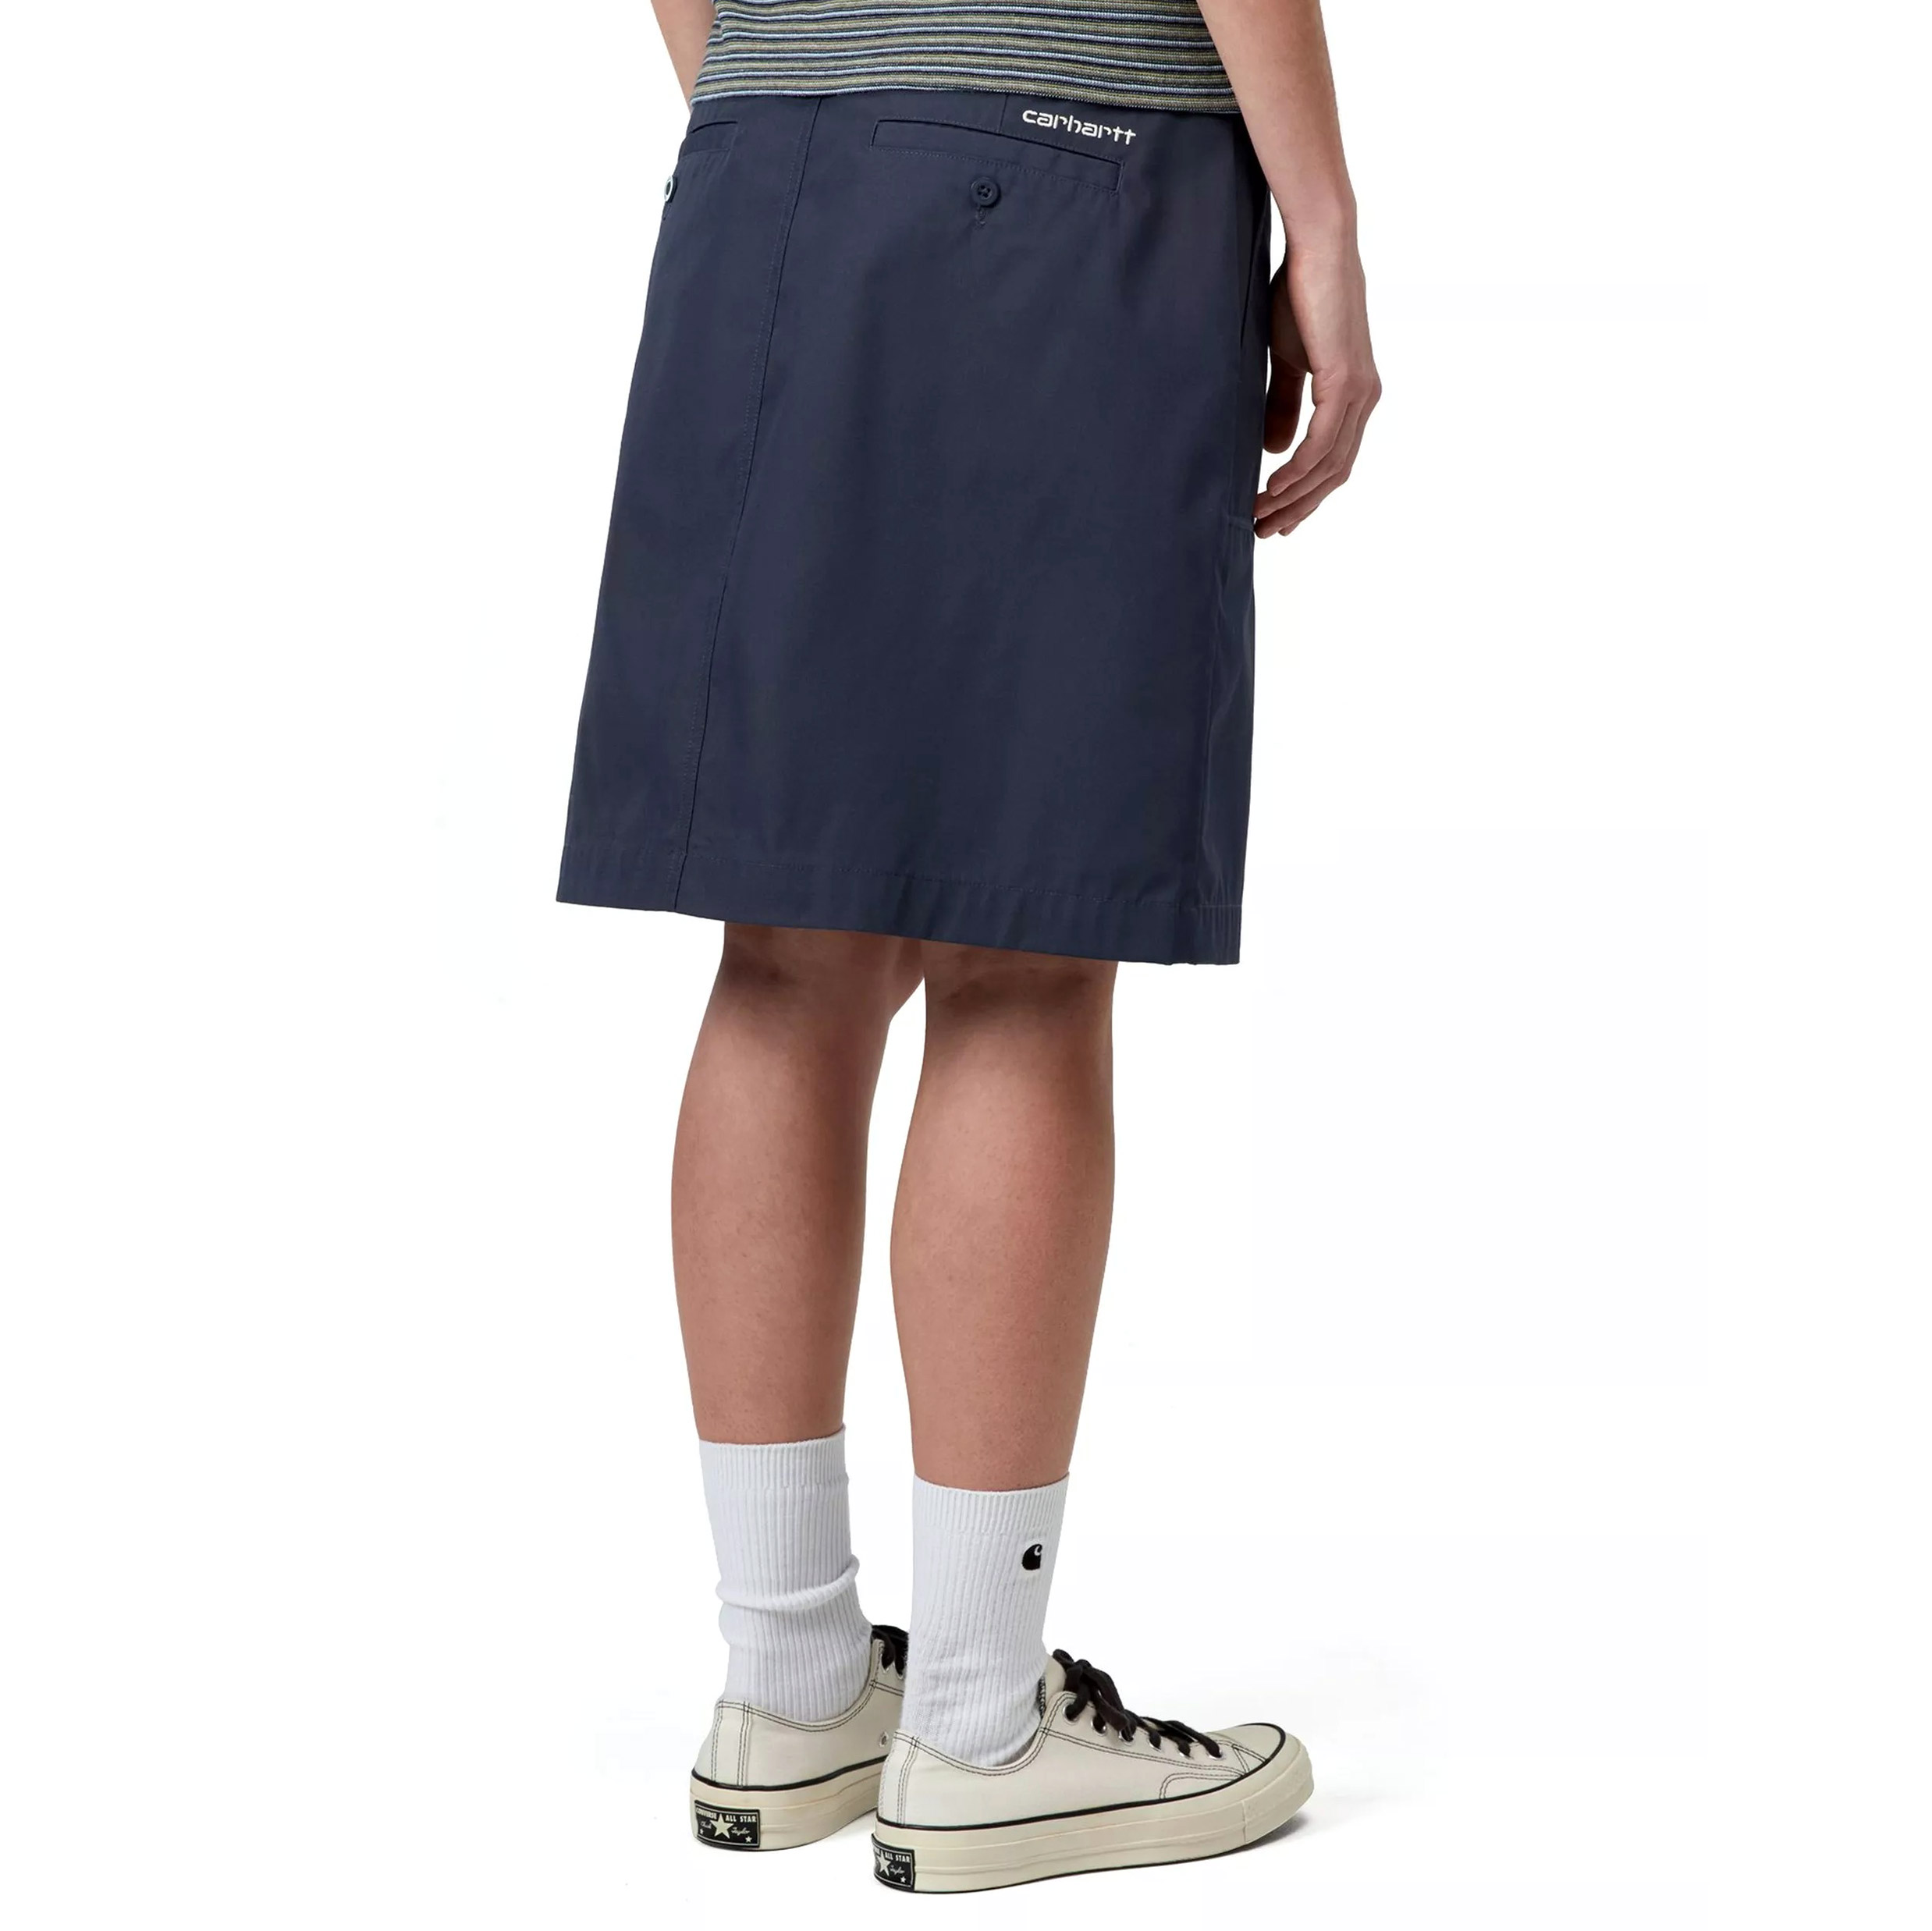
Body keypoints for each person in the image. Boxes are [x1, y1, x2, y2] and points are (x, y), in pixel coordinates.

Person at [558, 0, 1377, 1893]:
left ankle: (789, 1686)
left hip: (765, 166)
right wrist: (1321, 224)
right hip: (1061, 164)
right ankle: (982, 1726)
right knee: (1020, 945)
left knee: (788, 946)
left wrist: (820, 110)